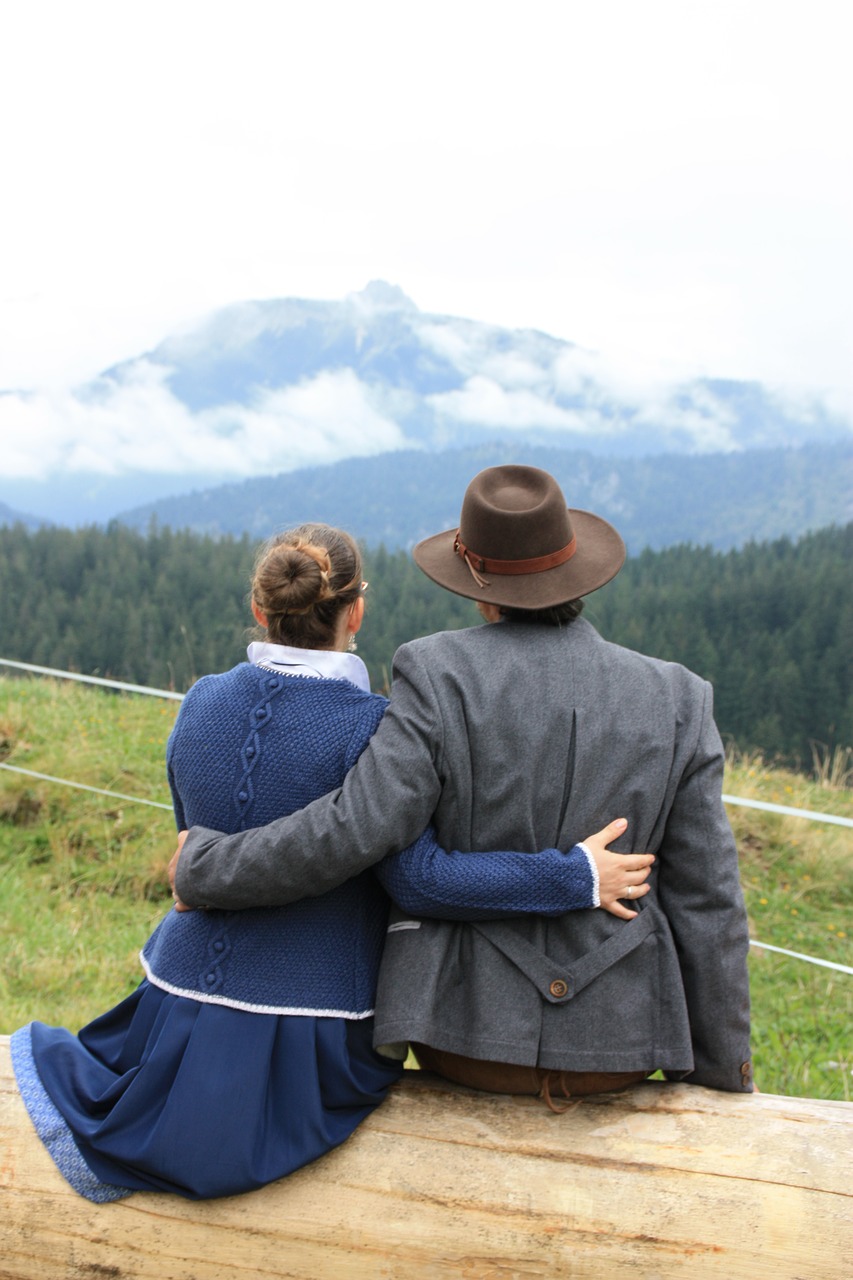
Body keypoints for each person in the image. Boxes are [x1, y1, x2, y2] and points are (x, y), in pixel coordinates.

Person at [11, 521, 653, 1202]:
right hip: (308, 1046)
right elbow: (422, 882)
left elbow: (188, 840)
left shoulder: (198, 701)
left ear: (260, 610)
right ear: (357, 609)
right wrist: (573, 875)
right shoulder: (375, 728)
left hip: (164, 1019)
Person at [172, 467, 753, 1101]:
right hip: (621, 1046)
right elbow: (709, 904)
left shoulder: (434, 670)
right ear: (577, 572)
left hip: (461, 1039)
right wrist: (726, 1079)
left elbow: (362, 834)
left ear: (480, 588)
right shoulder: (681, 699)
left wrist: (203, 867)